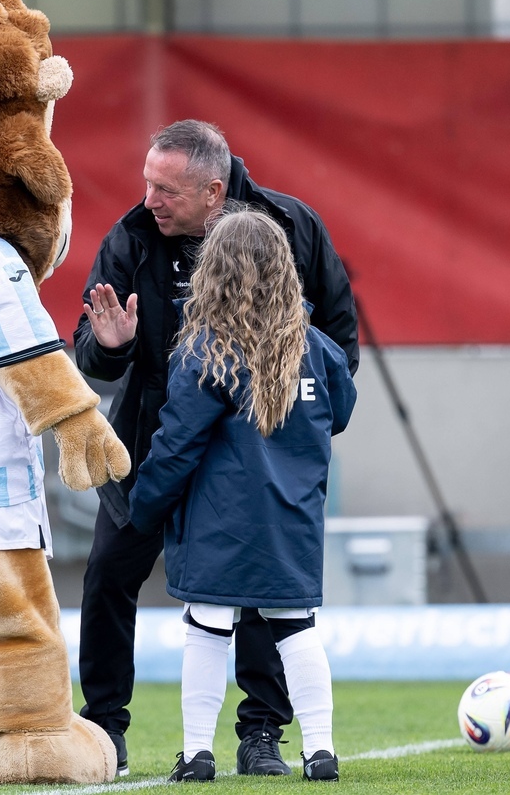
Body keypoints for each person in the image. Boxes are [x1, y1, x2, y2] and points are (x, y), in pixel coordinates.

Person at [74, 120, 358, 776]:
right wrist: (109, 346)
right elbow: (91, 351)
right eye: (147, 183)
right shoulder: (131, 237)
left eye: (166, 189)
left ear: (214, 189)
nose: (150, 200)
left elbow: (339, 334)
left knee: (250, 595)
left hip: (256, 438)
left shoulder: (289, 224)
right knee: (110, 575)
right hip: (155, 432)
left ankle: (260, 735)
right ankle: (103, 729)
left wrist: (300, 420)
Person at [128, 209, 357, 782]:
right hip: (293, 518)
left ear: (213, 272)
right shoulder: (318, 348)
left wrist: (143, 506)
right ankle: (321, 751)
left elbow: (176, 443)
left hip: (218, 522)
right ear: (285, 271)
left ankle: (197, 753)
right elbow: (341, 413)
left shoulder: (206, 349)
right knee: (296, 628)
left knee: (206, 626)